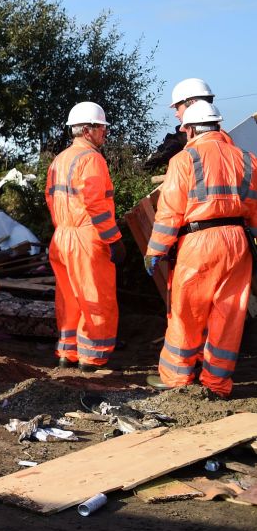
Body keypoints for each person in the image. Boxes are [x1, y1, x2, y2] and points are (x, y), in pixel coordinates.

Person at [144, 101, 256, 397]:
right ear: (218, 125)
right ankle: (217, 383)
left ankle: (176, 378)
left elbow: (169, 214)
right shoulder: (248, 159)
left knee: (186, 312)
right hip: (236, 242)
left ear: (190, 129)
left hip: (198, 242)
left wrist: (155, 251)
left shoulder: (183, 160)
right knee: (229, 314)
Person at [45, 102, 122, 371]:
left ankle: (69, 353)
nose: (105, 133)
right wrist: (113, 238)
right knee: (96, 297)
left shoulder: (60, 159)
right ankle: (93, 357)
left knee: (69, 298)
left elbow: (51, 197)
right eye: (102, 128)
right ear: (88, 130)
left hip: (62, 236)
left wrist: (64, 227)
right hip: (86, 237)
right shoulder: (92, 159)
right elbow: (95, 203)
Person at [142, 78, 215, 171]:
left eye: (177, 108)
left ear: (193, 104)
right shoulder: (229, 143)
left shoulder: (180, 149)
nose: (176, 114)